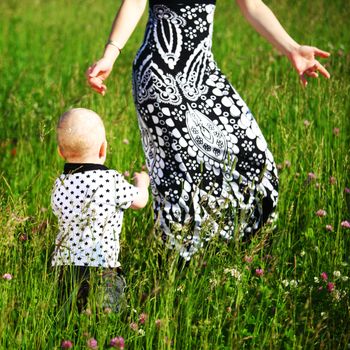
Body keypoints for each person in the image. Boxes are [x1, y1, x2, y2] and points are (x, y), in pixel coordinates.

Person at [86, 0, 330, 260]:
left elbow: (253, 6)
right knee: (179, 179)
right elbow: (134, 3)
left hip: (203, 72)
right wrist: (110, 56)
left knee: (256, 161)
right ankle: (174, 268)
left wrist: (293, 49)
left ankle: (238, 254)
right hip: (159, 74)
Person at [51, 107, 150, 312]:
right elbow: (139, 202)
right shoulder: (110, 179)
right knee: (108, 319)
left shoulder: (59, 184)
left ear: (61, 152)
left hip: (64, 268)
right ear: (103, 149)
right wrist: (143, 184)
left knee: (69, 318)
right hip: (103, 266)